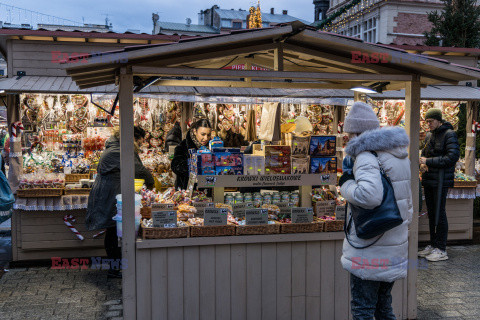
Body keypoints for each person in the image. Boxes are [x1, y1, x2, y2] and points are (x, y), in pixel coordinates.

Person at [338, 101, 413, 320]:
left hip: (370, 247)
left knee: (363, 309)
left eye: (349, 133)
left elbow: (368, 196)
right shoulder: (398, 155)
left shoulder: (365, 156)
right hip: (393, 244)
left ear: (356, 133)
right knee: (383, 307)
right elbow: (407, 203)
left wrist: (346, 184)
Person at [86, 126, 154, 278]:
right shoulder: (121, 149)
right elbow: (138, 170)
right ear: (134, 138)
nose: (141, 144)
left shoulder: (117, 145)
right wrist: (151, 183)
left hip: (111, 190)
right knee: (112, 229)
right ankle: (114, 267)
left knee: (114, 229)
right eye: (141, 141)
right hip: (109, 192)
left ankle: (117, 266)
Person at [418, 108, 460, 262]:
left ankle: (441, 248)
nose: (428, 124)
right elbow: (424, 154)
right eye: (426, 121)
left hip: (441, 180)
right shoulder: (430, 134)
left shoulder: (450, 134)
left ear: (439, 120)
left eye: (430, 121)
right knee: (432, 213)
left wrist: (428, 161)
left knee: (439, 213)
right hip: (429, 178)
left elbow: (451, 157)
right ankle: (432, 244)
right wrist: (421, 163)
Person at [171, 119, 212, 190]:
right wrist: (193, 164)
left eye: (208, 135)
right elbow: (175, 166)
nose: (205, 138)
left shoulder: (212, 147)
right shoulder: (183, 146)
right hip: (187, 193)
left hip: (207, 192)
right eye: (203, 134)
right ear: (195, 131)